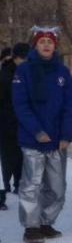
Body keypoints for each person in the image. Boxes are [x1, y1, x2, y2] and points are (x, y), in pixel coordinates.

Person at [12, 27, 72, 243]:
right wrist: (37, 131)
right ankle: (31, 227)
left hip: (57, 140)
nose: (46, 45)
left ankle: (46, 221)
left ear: (54, 45)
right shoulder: (24, 71)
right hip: (33, 139)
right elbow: (20, 105)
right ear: (35, 45)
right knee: (32, 184)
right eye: (42, 42)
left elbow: (69, 106)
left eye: (50, 41)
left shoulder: (63, 72)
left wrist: (66, 135)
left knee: (57, 186)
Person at [0, 42, 29, 208]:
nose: (26, 61)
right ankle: (2, 194)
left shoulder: (23, 74)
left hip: (20, 125)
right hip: (7, 125)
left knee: (19, 157)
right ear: (16, 58)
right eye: (23, 57)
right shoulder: (6, 76)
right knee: (6, 161)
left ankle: (18, 185)